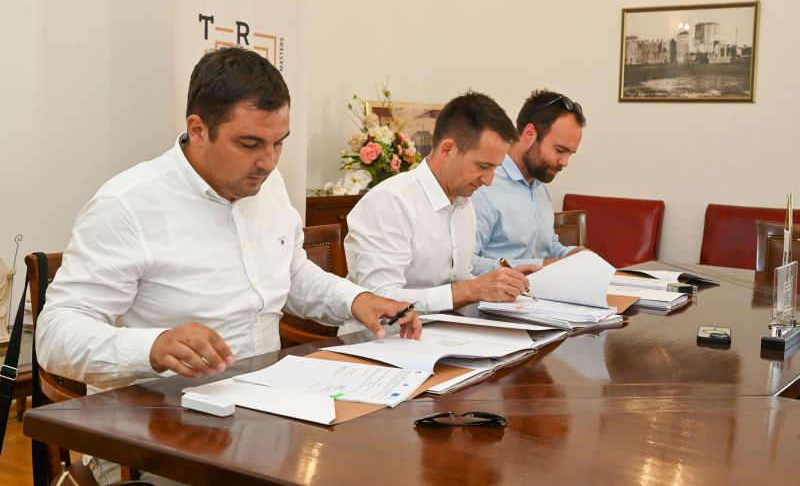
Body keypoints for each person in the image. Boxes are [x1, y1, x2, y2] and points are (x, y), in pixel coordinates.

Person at [36, 47, 421, 394]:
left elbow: (290, 273)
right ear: (198, 130)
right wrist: (152, 347)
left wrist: (356, 300)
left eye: (279, 142)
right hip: (158, 416)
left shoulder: (266, 184)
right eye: (249, 144)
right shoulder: (127, 205)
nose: (269, 162)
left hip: (266, 397)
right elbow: (55, 335)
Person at [340, 91, 536, 333]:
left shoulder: (464, 203)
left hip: (444, 335)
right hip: (380, 341)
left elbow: (460, 279)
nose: (489, 180)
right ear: (447, 150)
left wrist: (501, 286)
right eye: (483, 166)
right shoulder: (390, 201)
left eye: (495, 168)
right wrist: (470, 290)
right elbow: (380, 300)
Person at [471, 89, 587, 275]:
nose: (565, 162)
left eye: (570, 154)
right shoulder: (483, 186)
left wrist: (570, 254)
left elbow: (546, 247)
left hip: (542, 291)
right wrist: (540, 265)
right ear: (529, 133)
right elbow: (468, 264)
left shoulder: (540, 187)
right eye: (559, 150)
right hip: (499, 293)